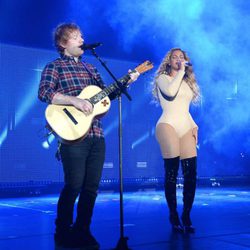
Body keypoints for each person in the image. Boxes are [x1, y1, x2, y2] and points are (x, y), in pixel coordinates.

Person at [38, 23, 139, 249]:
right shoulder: (54, 66)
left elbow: (106, 96)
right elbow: (44, 92)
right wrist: (74, 100)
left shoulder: (90, 69)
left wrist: (127, 81)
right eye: (76, 37)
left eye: (82, 36)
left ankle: (83, 230)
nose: (82, 40)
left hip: (95, 134)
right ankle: (62, 230)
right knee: (73, 184)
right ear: (63, 43)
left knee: (91, 187)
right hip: (72, 136)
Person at [152, 48, 201, 233]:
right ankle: (173, 214)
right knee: (172, 172)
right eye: (175, 57)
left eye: (182, 57)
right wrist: (181, 72)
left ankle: (186, 214)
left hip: (185, 126)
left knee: (191, 173)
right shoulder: (163, 79)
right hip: (167, 125)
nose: (179, 60)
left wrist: (194, 125)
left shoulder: (187, 83)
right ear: (169, 61)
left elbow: (184, 109)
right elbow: (171, 93)